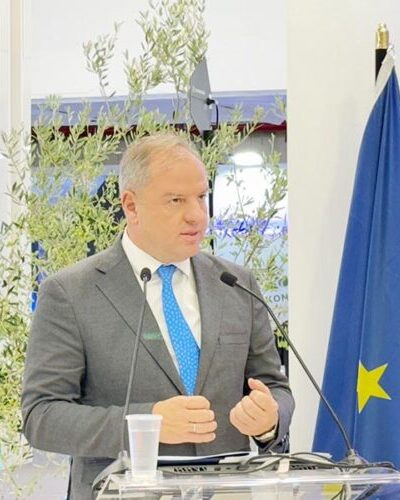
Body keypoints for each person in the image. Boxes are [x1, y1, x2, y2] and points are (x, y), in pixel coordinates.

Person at [22, 132, 294, 499]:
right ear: (131, 206)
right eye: (176, 200)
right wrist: (148, 424)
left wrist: (268, 419)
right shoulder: (71, 293)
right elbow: (42, 417)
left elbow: (273, 386)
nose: (196, 215)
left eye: (201, 197)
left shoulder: (235, 284)